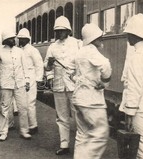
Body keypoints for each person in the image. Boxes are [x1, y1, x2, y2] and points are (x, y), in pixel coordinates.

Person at [68, 23, 112, 159]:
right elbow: (106, 65)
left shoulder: (80, 51)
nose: (102, 39)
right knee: (101, 133)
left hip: (78, 99)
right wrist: (104, 83)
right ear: (93, 38)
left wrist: (79, 80)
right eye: (99, 36)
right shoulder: (91, 50)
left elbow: (69, 70)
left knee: (82, 135)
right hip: (91, 101)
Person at [43, 16, 81, 155]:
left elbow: (82, 63)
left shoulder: (77, 44)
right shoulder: (52, 47)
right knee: (61, 117)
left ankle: (80, 145)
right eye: (57, 31)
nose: (59, 33)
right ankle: (64, 145)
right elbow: (46, 67)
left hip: (74, 85)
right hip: (59, 86)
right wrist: (50, 68)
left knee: (78, 115)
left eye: (61, 30)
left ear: (68, 30)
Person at [122, 13, 143, 159]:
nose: (127, 37)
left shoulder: (136, 57)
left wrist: (129, 113)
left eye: (128, 33)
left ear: (133, 35)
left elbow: (134, 88)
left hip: (141, 110)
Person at [0, 30, 31, 141]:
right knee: (4, 108)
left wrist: (27, 80)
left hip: (20, 83)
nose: (14, 40)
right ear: (6, 40)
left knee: (23, 107)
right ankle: (3, 132)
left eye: (14, 38)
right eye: (12, 38)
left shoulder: (20, 51)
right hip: (5, 84)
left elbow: (25, 67)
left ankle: (24, 131)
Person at [17, 28, 44, 135]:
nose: (19, 41)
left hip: (31, 79)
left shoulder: (33, 50)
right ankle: (27, 125)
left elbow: (39, 64)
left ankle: (33, 125)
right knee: (24, 104)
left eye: (21, 39)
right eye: (19, 39)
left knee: (30, 103)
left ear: (26, 39)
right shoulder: (20, 50)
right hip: (22, 79)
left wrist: (38, 79)